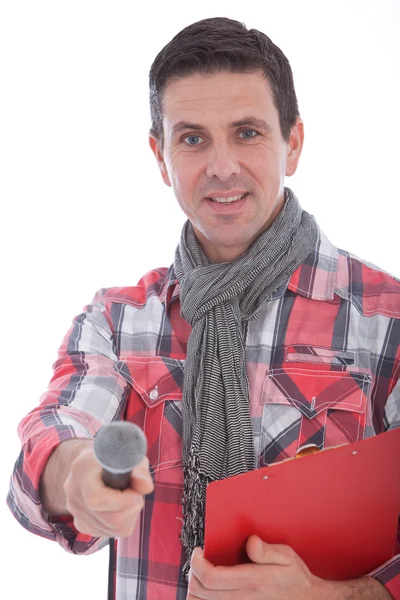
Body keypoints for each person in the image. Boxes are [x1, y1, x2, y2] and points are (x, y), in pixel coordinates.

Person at [7, 16, 400, 600]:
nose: (221, 167)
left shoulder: (386, 322)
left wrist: (335, 596)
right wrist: (78, 477)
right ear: (160, 157)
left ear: (292, 143)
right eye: (192, 138)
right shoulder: (118, 323)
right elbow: (56, 436)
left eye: (247, 133)